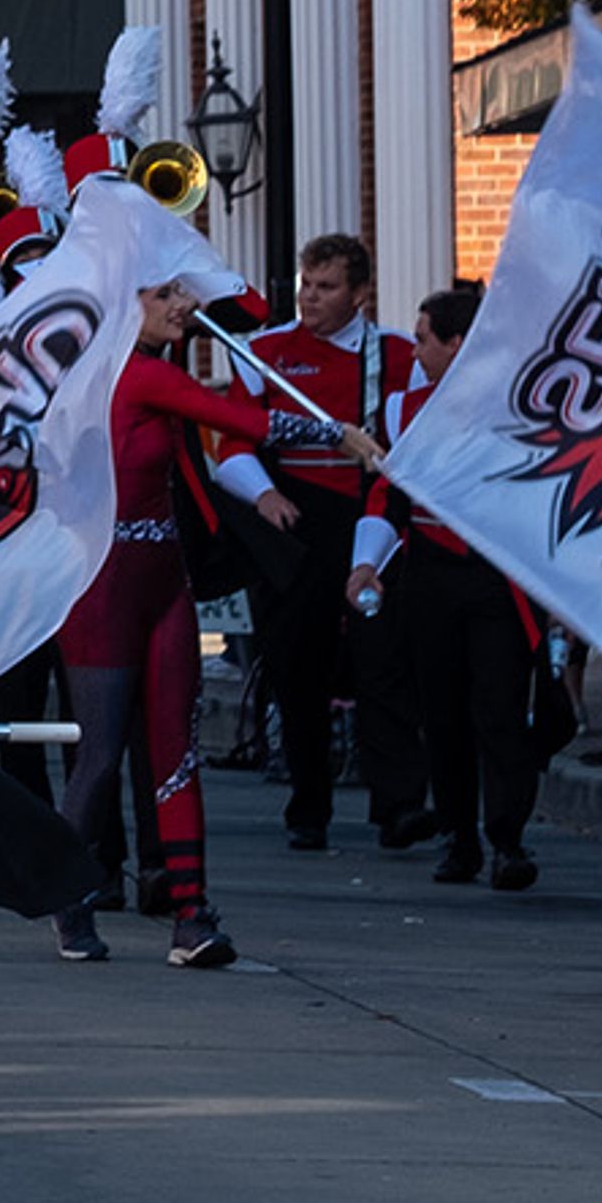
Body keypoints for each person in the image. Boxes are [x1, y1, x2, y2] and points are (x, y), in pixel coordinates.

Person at [47, 276, 326, 969]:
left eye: (184, 292)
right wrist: (338, 433)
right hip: (102, 588)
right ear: (122, 299)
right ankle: (64, 894)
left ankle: (192, 913)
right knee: (102, 755)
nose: (184, 306)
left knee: (177, 750)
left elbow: (249, 309)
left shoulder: (157, 365)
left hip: (166, 581)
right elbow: (248, 422)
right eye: (164, 293)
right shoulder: (127, 374)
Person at [224, 233, 420, 851]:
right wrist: (263, 495)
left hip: (371, 515)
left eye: (327, 287)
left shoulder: (397, 354)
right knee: (296, 665)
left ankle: (399, 806)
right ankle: (308, 806)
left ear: (360, 294)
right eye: (306, 284)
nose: (310, 298)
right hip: (293, 522)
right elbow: (230, 443)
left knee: (382, 659)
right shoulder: (263, 352)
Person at [354, 283, 544, 890]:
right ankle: (459, 839)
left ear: (458, 344)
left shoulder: (520, 410)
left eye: (423, 340)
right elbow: (387, 497)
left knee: (500, 710)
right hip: (430, 577)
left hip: (498, 579)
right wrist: (366, 566)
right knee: (442, 714)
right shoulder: (401, 412)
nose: (414, 353)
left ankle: (507, 840)